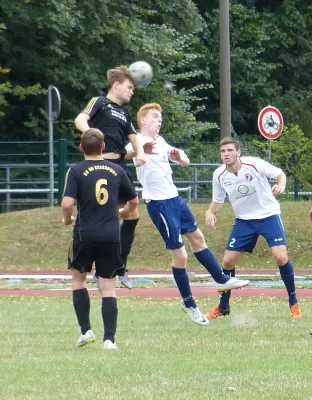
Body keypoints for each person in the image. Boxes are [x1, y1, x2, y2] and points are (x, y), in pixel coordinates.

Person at [125, 103, 250, 326]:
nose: (159, 120)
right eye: (155, 116)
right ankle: (189, 303)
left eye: (160, 117)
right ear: (143, 121)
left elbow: (185, 161)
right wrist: (140, 151)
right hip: (159, 204)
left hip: (175, 200)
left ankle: (221, 280)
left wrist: (178, 155)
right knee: (181, 257)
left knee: (199, 239)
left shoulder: (161, 142)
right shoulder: (137, 141)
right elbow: (124, 154)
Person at [205, 136, 302, 320]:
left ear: (238, 152)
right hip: (244, 221)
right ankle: (223, 306)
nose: (226, 154)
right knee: (227, 262)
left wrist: (280, 186)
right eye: (223, 151)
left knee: (280, 256)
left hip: (269, 215)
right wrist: (211, 212)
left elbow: (280, 174)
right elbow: (218, 200)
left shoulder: (254, 165)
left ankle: (294, 303)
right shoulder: (219, 175)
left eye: (229, 151)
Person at [62, 128, 139, 350]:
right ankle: (109, 340)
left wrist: (67, 220)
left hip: (84, 234)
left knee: (79, 281)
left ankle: (86, 331)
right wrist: (123, 212)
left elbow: (67, 204)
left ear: (81, 147)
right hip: (110, 235)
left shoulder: (75, 170)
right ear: (104, 147)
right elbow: (134, 200)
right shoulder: (116, 170)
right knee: (108, 287)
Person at [74, 65, 146, 289]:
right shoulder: (99, 102)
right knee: (103, 217)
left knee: (132, 217)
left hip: (120, 165)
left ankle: (119, 266)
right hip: (100, 164)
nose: (131, 91)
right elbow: (80, 119)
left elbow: (133, 138)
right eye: (129, 87)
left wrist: (142, 153)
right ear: (116, 85)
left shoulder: (124, 113)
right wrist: (90, 134)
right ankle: (95, 267)